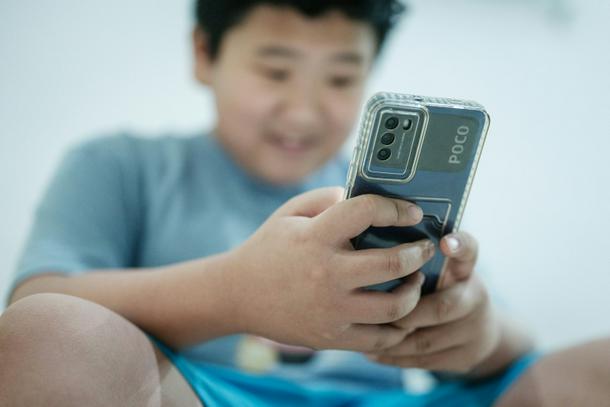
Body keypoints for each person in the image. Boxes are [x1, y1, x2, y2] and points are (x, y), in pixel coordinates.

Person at [0, 1, 608, 406]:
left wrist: (480, 332)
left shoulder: (393, 197)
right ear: (204, 54)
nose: (303, 110)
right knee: (50, 334)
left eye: (341, 79)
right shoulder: (121, 165)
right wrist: (236, 293)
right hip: (208, 394)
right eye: (275, 71)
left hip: (389, 399)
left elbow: (513, 347)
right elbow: (36, 299)